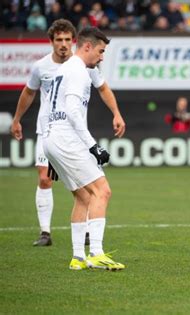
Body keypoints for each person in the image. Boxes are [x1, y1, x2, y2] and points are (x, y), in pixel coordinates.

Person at [10, 19, 126, 247]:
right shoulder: (43, 67)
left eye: (67, 39)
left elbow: (103, 88)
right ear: (51, 42)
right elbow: (30, 93)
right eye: (59, 40)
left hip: (67, 134)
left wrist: (116, 113)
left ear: (74, 42)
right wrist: (17, 119)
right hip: (55, 132)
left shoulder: (85, 66)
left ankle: (82, 244)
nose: (63, 44)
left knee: (85, 192)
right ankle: (49, 232)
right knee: (63, 183)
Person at [42, 26, 124, 271]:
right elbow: (72, 111)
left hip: (52, 137)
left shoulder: (63, 69)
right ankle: (96, 253)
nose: (101, 57)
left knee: (83, 196)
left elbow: (49, 108)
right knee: (103, 191)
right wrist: (93, 146)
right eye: (100, 51)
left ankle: (78, 257)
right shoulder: (78, 71)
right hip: (68, 139)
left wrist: (51, 153)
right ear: (87, 46)